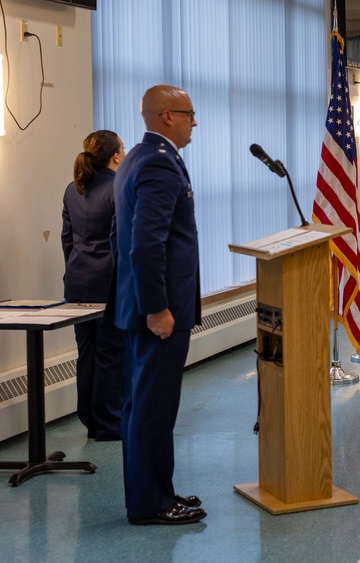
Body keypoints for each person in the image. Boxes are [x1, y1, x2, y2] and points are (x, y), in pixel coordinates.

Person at [111, 85, 205, 525]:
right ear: (167, 116)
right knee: (153, 406)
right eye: (189, 114)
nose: (194, 122)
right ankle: (150, 503)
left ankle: (156, 492)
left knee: (143, 404)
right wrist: (156, 307)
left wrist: (134, 298)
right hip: (158, 311)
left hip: (139, 305)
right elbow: (147, 244)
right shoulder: (159, 165)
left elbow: (121, 239)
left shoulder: (134, 160)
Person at [61, 130, 126, 441]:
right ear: (115, 156)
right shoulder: (119, 189)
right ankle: (108, 424)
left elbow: (66, 241)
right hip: (108, 287)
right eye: (122, 149)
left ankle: (89, 419)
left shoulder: (72, 190)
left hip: (77, 285)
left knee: (86, 354)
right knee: (111, 356)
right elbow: (124, 242)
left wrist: (77, 270)